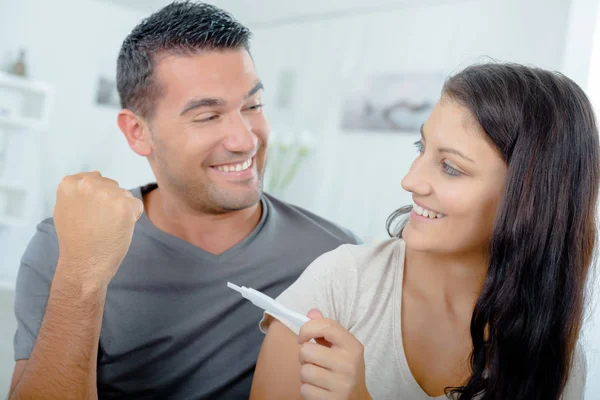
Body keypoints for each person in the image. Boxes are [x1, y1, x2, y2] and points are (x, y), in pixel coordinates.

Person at [8, 2, 359, 399]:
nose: (245, 140)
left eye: (253, 106)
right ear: (138, 132)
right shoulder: (64, 244)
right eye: (208, 116)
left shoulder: (334, 255)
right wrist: (82, 276)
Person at [251, 63, 598, 400]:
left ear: (531, 198)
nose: (410, 181)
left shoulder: (556, 360)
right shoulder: (340, 284)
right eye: (421, 148)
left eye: (450, 167)